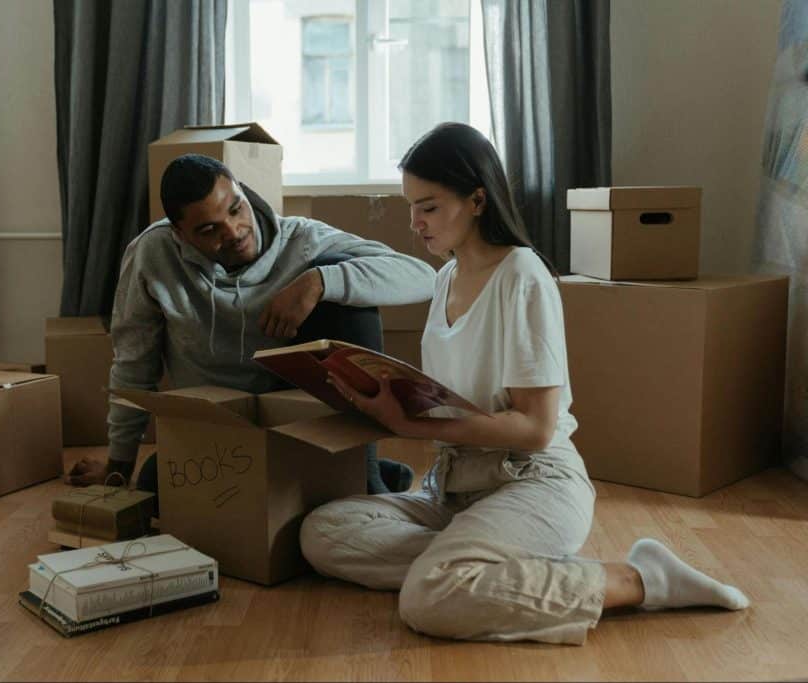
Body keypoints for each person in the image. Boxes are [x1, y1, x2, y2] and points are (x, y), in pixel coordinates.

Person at [300, 123, 749, 645]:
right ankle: (482, 561)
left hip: (531, 481)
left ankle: (638, 579)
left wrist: (412, 428)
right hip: (452, 485)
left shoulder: (522, 276)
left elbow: (536, 429)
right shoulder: (445, 277)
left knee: (429, 598)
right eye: (411, 207)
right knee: (323, 532)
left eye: (429, 207)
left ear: (476, 200)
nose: (414, 222)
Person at [66, 153, 438, 495]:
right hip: (219, 423)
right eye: (209, 230)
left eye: (235, 209)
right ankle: (330, 473)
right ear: (179, 235)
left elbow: (423, 276)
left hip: (297, 415)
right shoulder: (153, 252)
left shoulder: (302, 239)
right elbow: (134, 363)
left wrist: (319, 282)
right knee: (153, 488)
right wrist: (118, 466)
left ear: (243, 191)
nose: (233, 231)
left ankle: (365, 473)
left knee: (344, 276)